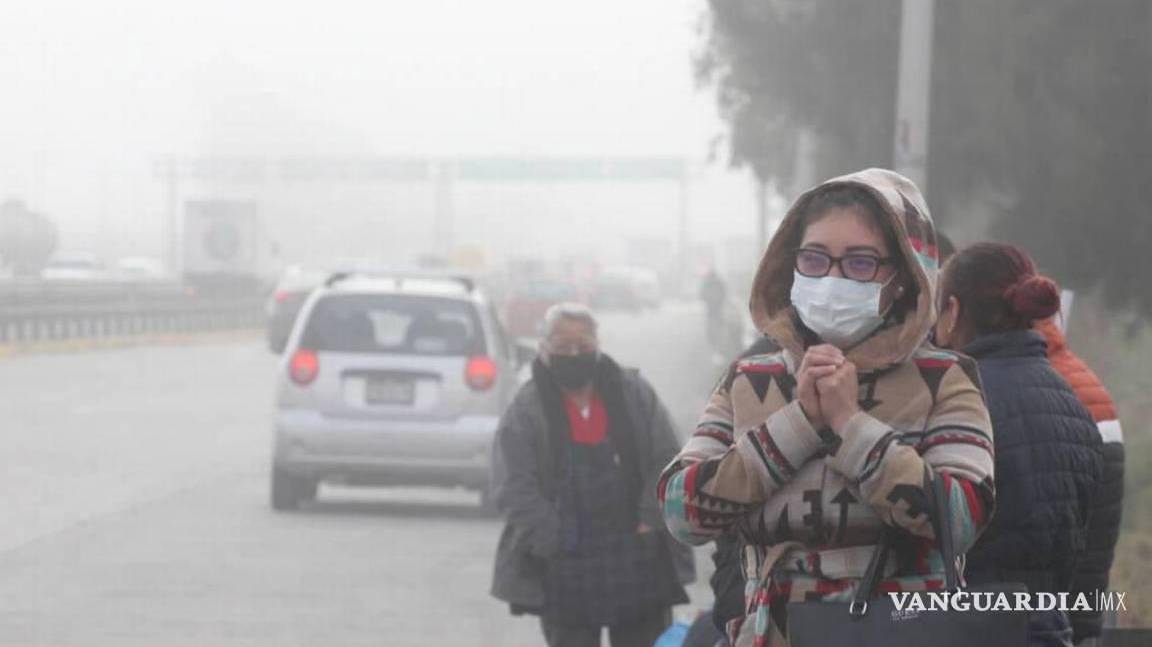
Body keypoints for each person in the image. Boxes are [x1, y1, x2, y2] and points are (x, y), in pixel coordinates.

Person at [659, 168, 996, 646]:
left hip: (898, 632)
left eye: (860, 263)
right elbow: (680, 511)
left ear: (902, 278)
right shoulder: (750, 380)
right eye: (814, 259)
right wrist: (798, 425)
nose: (832, 278)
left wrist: (849, 425)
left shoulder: (944, 379)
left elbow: (961, 519)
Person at [490, 302, 694, 647]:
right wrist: (551, 536)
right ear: (543, 348)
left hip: (636, 552)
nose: (573, 354)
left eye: (582, 345)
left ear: (597, 345)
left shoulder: (633, 392)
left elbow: (669, 457)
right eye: (562, 346)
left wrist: (650, 517)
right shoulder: (527, 408)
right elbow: (512, 485)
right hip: (564, 562)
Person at [932, 243, 1104, 647]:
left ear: (953, 311)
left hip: (969, 629)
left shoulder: (959, 400)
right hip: (1049, 629)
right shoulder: (1073, 403)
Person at [1032, 316, 1124, 646]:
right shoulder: (1087, 383)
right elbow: (1098, 536)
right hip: (1069, 611)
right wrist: (1084, 623)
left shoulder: (1004, 382)